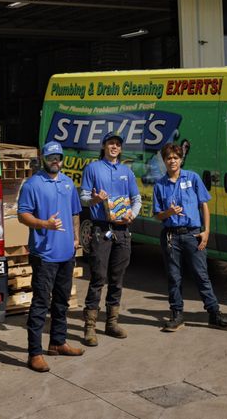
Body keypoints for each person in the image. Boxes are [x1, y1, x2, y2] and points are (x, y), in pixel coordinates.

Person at [153, 143, 227, 332]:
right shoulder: (160, 185)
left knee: (201, 275)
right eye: (168, 158)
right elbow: (157, 215)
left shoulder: (193, 178)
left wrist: (206, 231)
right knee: (174, 277)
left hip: (193, 234)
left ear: (181, 159)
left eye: (175, 157)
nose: (172, 161)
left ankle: (214, 314)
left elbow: (204, 205)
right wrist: (168, 212)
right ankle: (177, 314)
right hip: (171, 237)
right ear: (164, 161)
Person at [17, 142, 84, 373]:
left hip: (66, 253)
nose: (55, 161)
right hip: (44, 255)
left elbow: (75, 212)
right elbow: (23, 215)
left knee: (62, 301)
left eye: (58, 157)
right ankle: (34, 353)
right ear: (43, 159)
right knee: (40, 303)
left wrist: (76, 238)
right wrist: (44, 224)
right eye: (51, 157)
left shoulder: (68, 183)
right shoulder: (32, 184)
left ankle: (58, 342)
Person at [80, 132, 142, 346]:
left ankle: (111, 322)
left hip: (122, 230)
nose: (114, 147)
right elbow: (83, 197)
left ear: (120, 149)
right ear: (104, 146)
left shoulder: (127, 171)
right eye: (110, 143)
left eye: (117, 144)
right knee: (98, 277)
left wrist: (132, 214)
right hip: (101, 229)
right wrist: (95, 199)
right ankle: (90, 326)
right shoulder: (93, 168)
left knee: (117, 278)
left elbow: (136, 198)